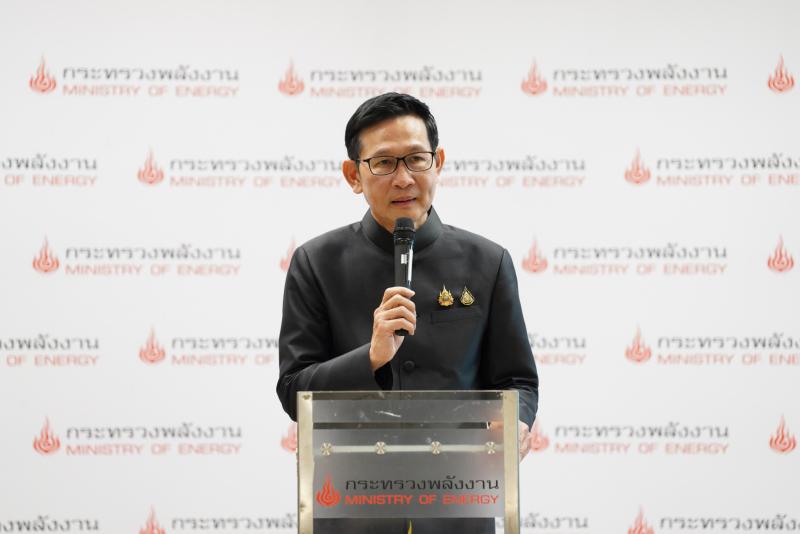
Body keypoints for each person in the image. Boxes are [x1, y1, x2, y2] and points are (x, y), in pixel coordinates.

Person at [276, 92, 538, 534]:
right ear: (353, 175)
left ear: (438, 163)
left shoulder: (487, 261)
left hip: (458, 504)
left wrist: (515, 421)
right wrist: (370, 357)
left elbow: (518, 380)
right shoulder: (317, 263)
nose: (403, 179)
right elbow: (293, 391)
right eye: (383, 163)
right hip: (352, 508)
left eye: (416, 159)